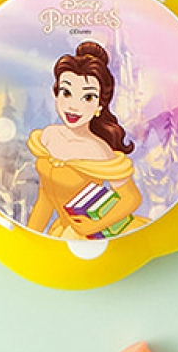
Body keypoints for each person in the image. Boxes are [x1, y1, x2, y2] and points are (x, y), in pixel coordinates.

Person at [25, 41, 145, 240]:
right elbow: (45, 199)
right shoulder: (48, 136)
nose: (73, 106)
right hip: (61, 232)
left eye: (88, 97)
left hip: (88, 235)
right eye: (66, 93)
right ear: (56, 94)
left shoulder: (99, 150)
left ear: (99, 105)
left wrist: (92, 226)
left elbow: (131, 198)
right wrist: (31, 237)